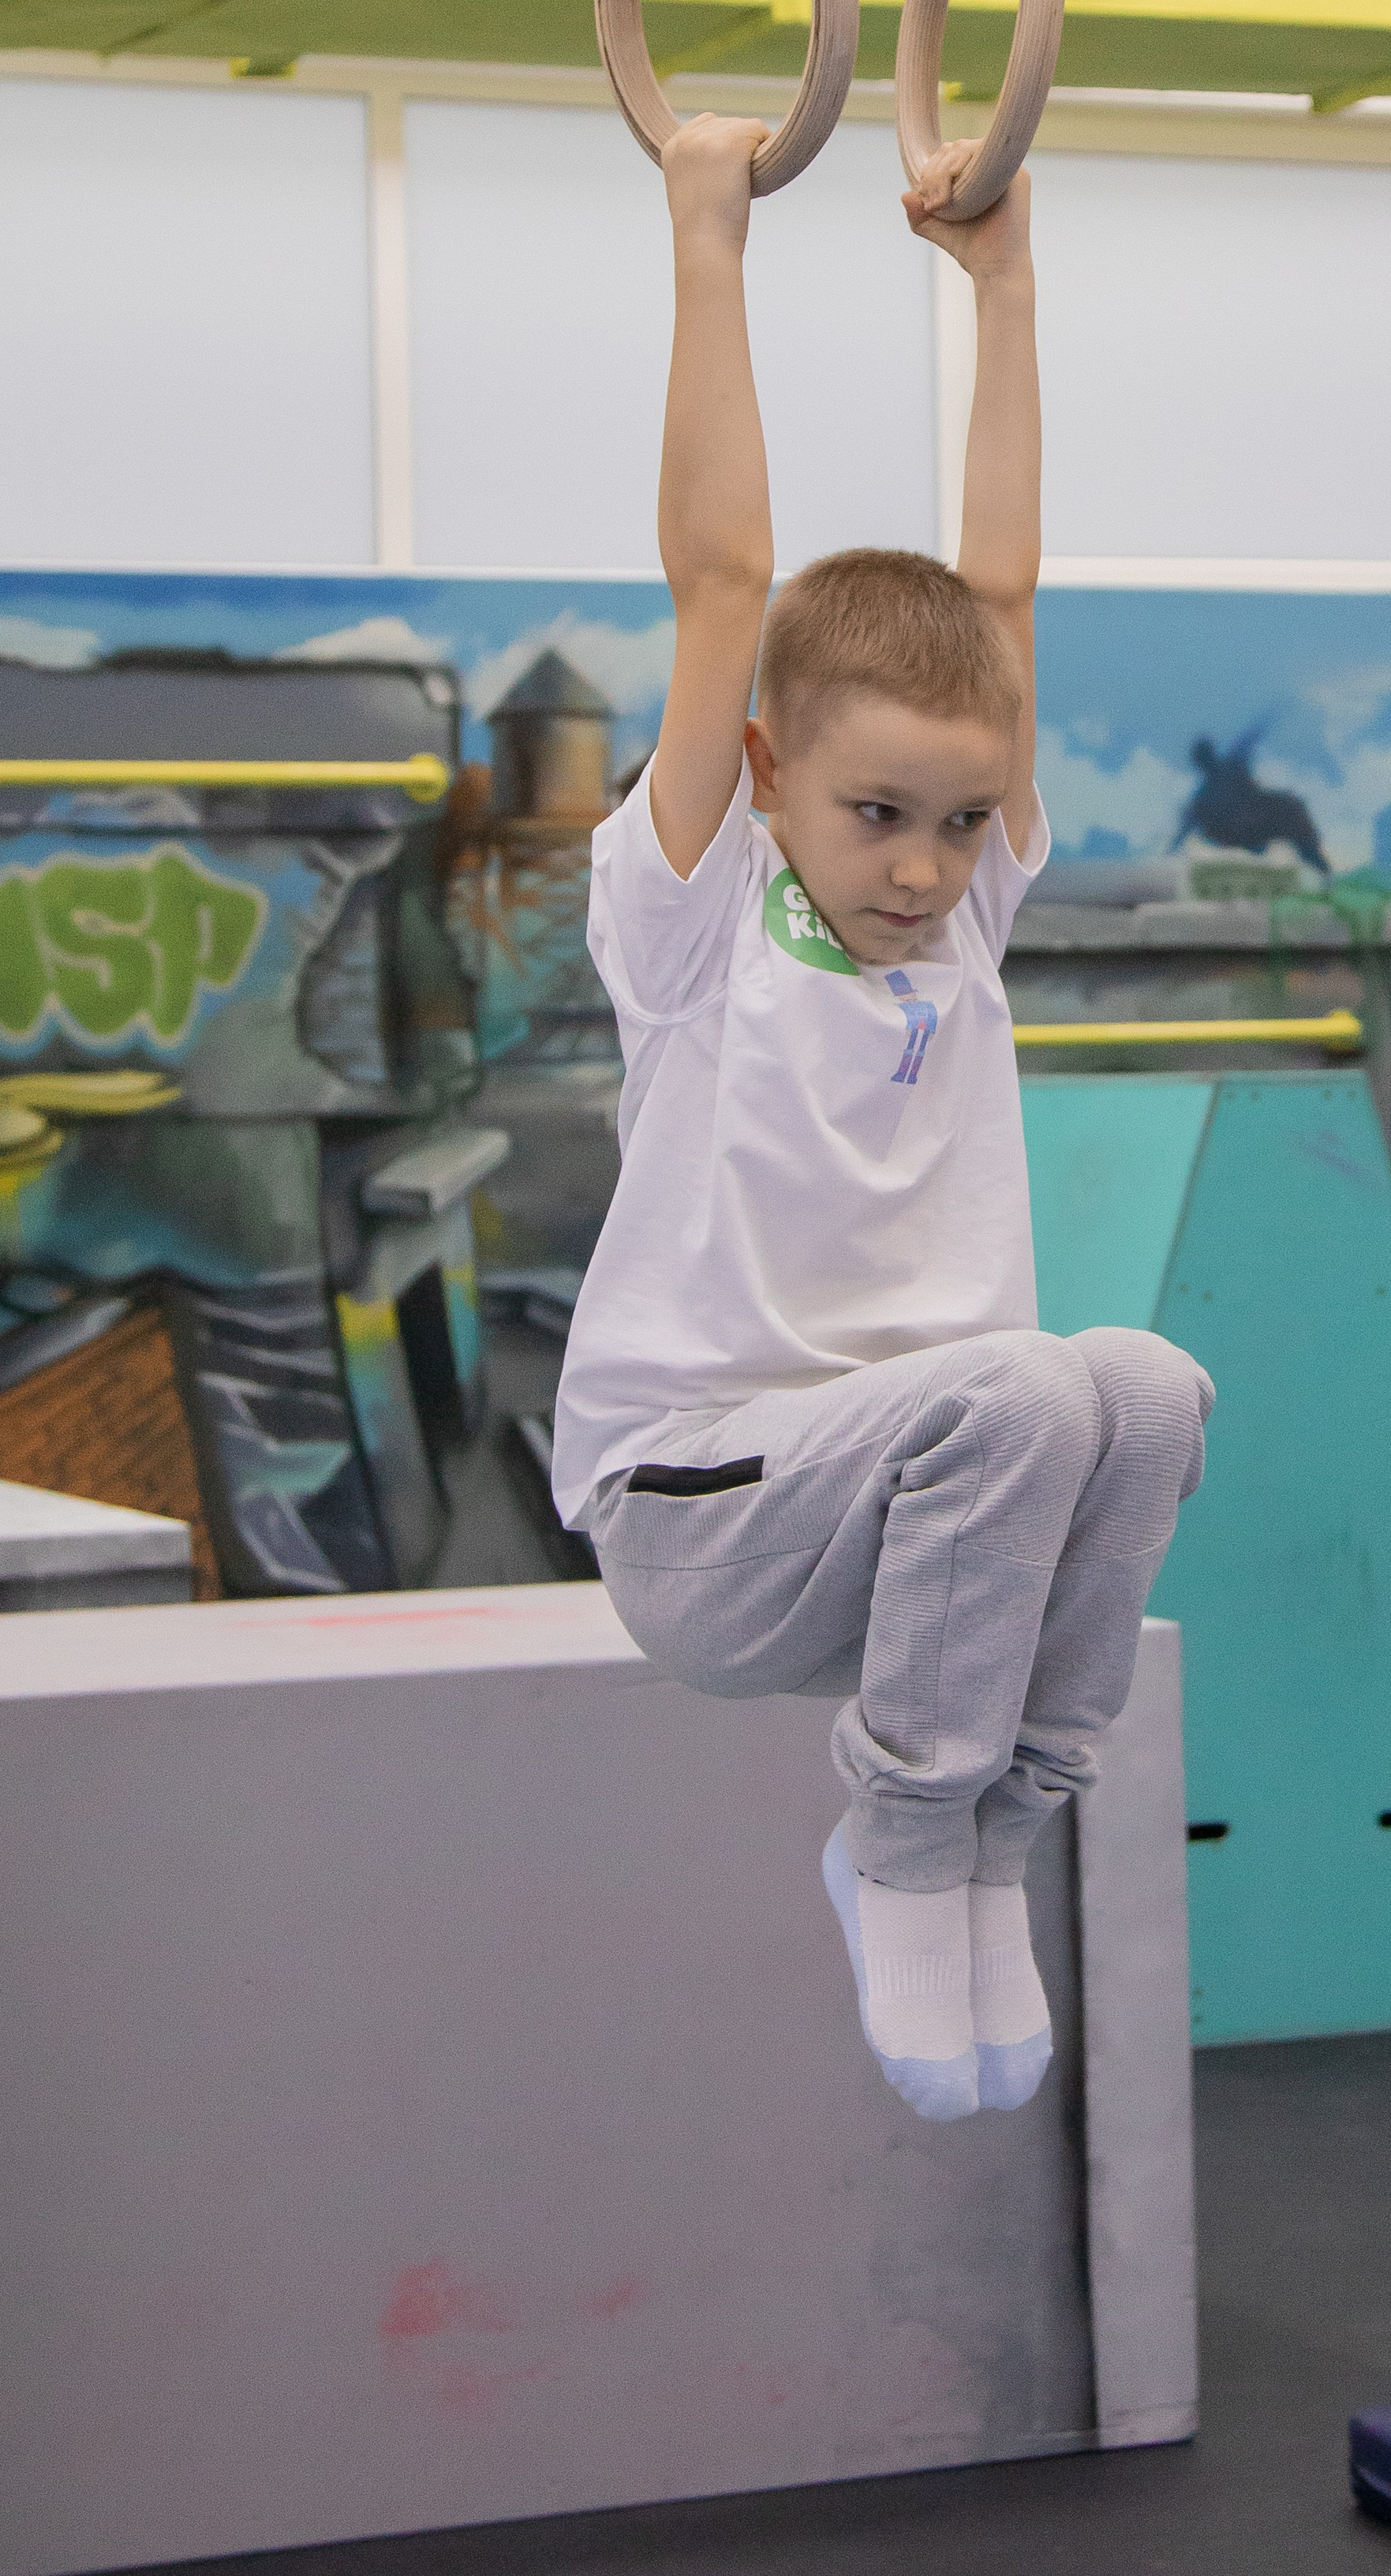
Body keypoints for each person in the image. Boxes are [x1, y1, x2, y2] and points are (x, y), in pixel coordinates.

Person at [551, 116, 1213, 2125]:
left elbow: (995, 583)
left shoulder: (963, 933)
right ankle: (900, 1843)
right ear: (763, 776)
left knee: (1151, 1386)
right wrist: (702, 234)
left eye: (954, 820)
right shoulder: (696, 931)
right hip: (698, 1510)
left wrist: (1000, 282)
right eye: (873, 816)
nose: (926, 869)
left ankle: (997, 1826)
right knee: (1021, 1387)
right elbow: (722, 571)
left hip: (911, 1518)